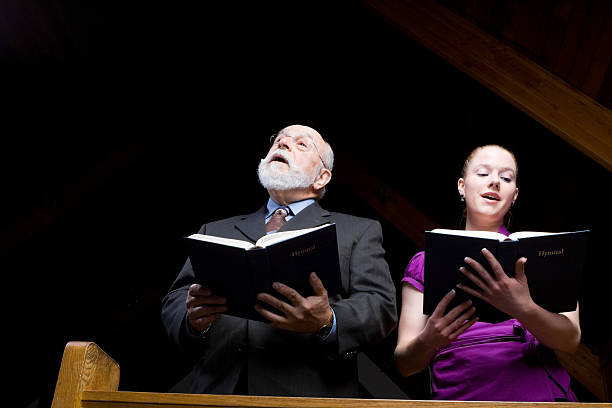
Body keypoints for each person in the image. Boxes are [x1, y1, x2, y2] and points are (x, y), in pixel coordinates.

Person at [161, 124, 398, 397]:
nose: (283, 144)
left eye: (301, 144)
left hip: (310, 398)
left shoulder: (357, 231)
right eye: (279, 140)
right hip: (219, 394)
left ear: (321, 178)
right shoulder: (213, 230)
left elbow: (381, 305)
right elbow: (175, 299)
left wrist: (327, 321)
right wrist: (192, 320)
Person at [394, 144, 581, 401]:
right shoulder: (424, 262)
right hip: (461, 393)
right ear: (461, 186)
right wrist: (428, 340)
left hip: (539, 394)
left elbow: (571, 339)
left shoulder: (543, 251)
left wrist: (523, 308)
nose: (494, 182)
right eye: (483, 174)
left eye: (506, 178)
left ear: (514, 195)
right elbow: (405, 364)